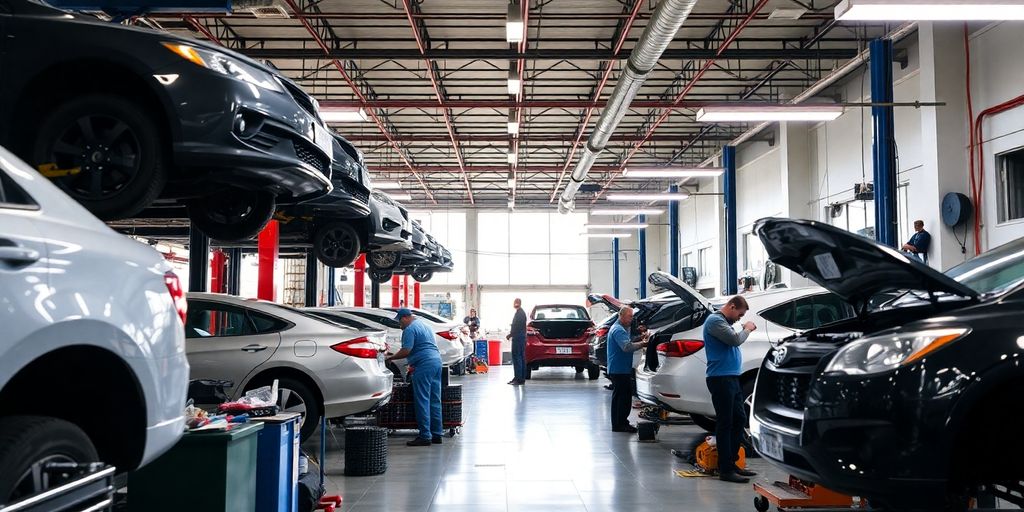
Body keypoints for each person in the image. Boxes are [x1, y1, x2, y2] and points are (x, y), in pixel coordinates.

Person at [704, 295, 759, 483]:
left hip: (731, 378)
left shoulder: (724, 323)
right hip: (720, 379)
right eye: (740, 314)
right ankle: (725, 469)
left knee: (739, 419)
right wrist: (747, 329)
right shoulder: (714, 321)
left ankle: (731, 462)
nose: (740, 318)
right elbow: (735, 340)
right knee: (725, 422)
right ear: (732, 306)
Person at [386, 308, 443, 446]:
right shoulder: (425, 326)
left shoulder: (409, 329)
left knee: (422, 400)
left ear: (405, 318)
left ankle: (425, 436)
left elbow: (406, 350)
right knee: (434, 400)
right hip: (436, 362)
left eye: (400, 322)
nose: (400, 325)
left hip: (423, 365)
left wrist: (391, 357)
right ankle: (437, 434)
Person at [606, 308, 649, 432]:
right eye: (629, 317)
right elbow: (626, 347)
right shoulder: (618, 330)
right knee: (622, 398)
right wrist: (643, 343)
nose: (631, 319)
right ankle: (620, 424)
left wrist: (639, 338)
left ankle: (620, 423)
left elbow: (628, 340)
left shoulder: (619, 328)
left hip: (619, 368)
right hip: (619, 369)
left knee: (620, 397)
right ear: (621, 316)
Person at [506, 298, 527, 385]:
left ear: (519, 303)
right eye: (515, 302)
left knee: (517, 357)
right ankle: (521, 378)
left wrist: (510, 334)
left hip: (518, 337)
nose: (515, 304)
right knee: (521, 357)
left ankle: (518, 378)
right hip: (521, 337)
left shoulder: (519, 313)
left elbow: (516, 326)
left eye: (516, 302)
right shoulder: (521, 312)